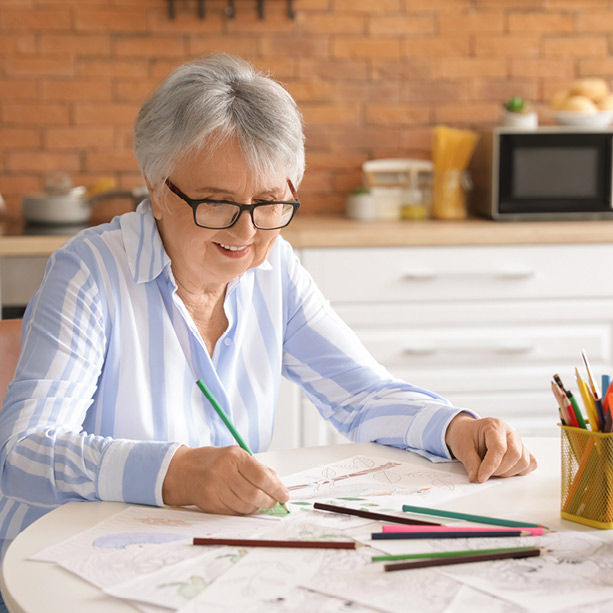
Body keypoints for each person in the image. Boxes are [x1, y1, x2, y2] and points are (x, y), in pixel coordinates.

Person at [0, 53, 536, 558]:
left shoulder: (274, 268)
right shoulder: (89, 271)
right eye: (217, 202)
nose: (246, 231)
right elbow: (24, 452)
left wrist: (454, 429)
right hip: (54, 562)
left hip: (192, 557)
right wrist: (173, 472)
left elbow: (362, 395)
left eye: (270, 203)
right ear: (157, 188)